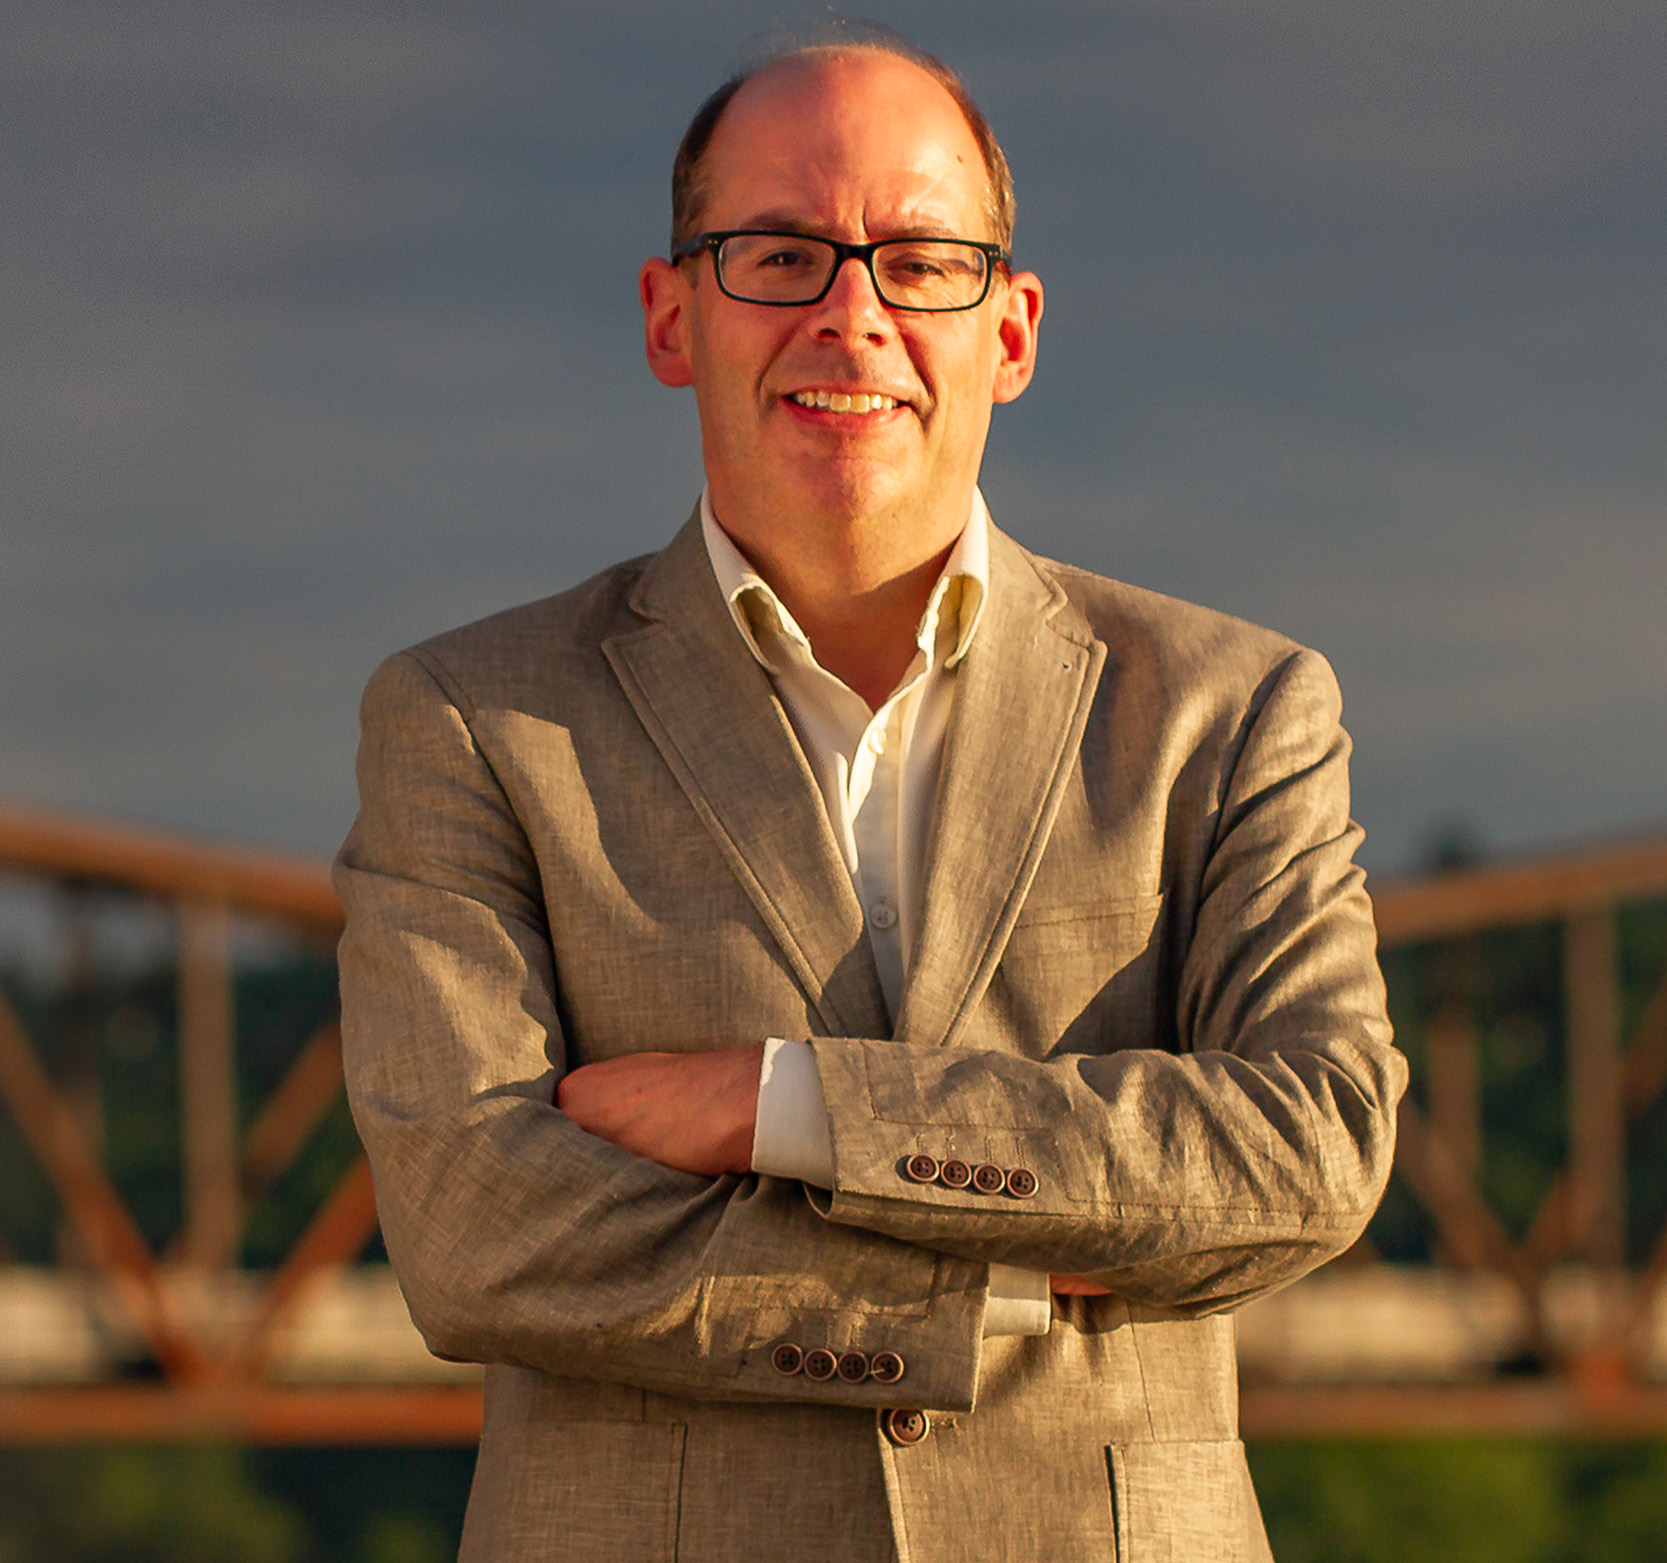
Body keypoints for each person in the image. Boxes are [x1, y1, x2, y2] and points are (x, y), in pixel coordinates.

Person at [336, 28, 1405, 1563]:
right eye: (779, 253)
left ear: (1013, 330)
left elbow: (1306, 1148)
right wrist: (1004, 1281)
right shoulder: (469, 719)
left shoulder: (1233, 711)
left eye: (920, 261)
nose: (853, 316)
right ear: (670, 314)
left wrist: (797, 1107)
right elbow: (478, 1233)